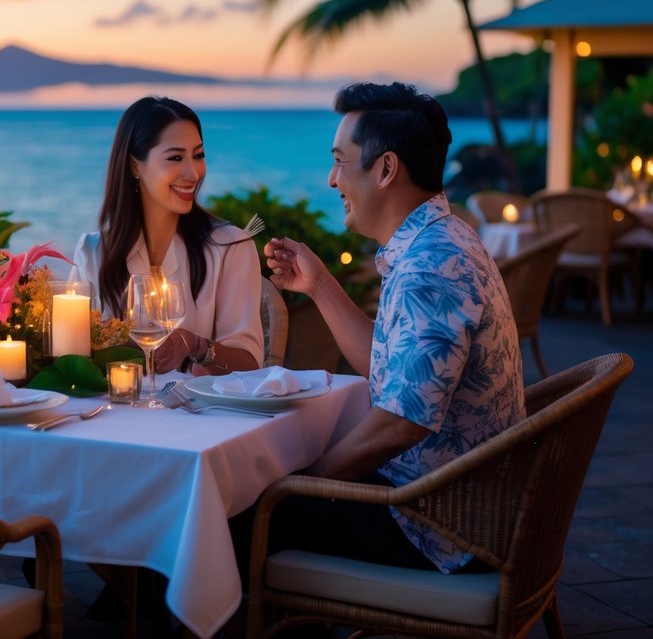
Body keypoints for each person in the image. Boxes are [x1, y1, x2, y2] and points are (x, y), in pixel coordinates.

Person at [259, 81, 524, 573]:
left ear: (385, 169)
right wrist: (319, 286)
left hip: (437, 526)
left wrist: (315, 479)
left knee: (243, 513)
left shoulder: (432, 264)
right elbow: (393, 375)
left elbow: (403, 420)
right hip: (450, 502)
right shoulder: (442, 238)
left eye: (340, 161)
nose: (331, 179)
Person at [71, 95, 263, 373]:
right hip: (116, 412)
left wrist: (195, 345)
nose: (193, 172)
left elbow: (250, 364)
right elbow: (72, 355)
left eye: (198, 155)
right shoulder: (93, 252)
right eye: (175, 157)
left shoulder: (230, 246)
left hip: (200, 415)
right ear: (136, 165)